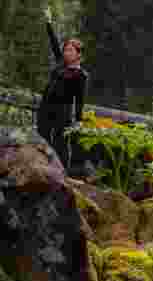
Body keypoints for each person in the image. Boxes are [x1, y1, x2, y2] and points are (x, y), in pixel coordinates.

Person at [36, 6, 88, 172]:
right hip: (46, 107)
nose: (66, 53)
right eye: (65, 50)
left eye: (70, 50)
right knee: (42, 137)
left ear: (78, 54)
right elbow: (53, 43)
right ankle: (42, 168)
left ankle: (62, 172)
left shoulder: (81, 75)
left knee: (59, 144)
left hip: (62, 113)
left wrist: (79, 120)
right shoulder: (60, 63)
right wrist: (48, 21)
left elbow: (80, 99)